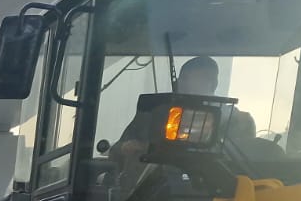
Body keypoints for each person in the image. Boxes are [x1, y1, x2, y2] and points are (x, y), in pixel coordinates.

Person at [110, 55, 257, 177]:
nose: (181, 83)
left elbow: (244, 165)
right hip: (151, 192)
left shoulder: (237, 122)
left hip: (212, 195)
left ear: (212, 83)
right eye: (182, 78)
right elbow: (116, 150)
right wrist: (125, 148)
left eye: (188, 79)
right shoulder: (154, 114)